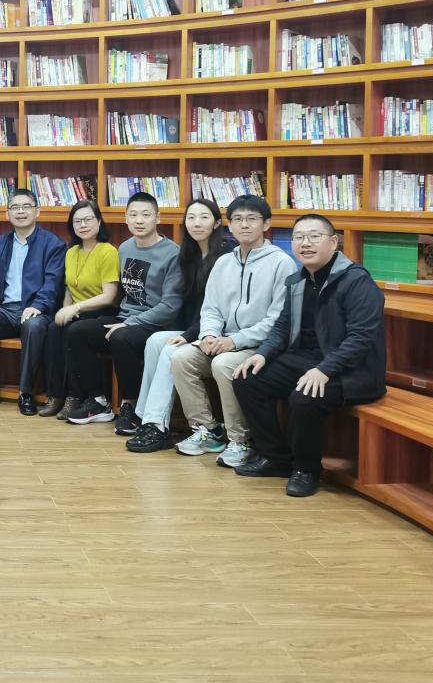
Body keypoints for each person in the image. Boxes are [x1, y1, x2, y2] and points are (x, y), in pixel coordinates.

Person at [232, 213, 385, 497]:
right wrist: (263, 354)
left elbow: (362, 337)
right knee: (247, 379)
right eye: (299, 237)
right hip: (307, 360)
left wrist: (325, 369)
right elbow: (282, 326)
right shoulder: (297, 280)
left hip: (352, 370)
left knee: (304, 396)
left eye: (314, 236)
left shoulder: (356, 281)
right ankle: (276, 458)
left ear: (333, 242)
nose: (306, 243)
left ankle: (306, 469)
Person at [145, 195, 296, 463]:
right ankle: (207, 429)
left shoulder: (281, 263)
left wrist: (234, 341)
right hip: (224, 340)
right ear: (229, 225)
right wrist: (209, 335)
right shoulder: (224, 262)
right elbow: (211, 309)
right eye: (237, 219)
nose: (244, 225)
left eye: (251, 219)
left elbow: (277, 321)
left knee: (223, 364)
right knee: (181, 358)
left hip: (260, 347)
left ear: (266, 224)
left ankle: (241, 440)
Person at [124, 199, 234, 452]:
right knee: (155, 341)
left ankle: (156, 425)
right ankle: (147, 419)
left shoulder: (227, 255)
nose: (197, 223)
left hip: (219, 331)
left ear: (217, 223)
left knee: (169, 351)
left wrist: (188, 335)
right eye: (191, 217)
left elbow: (218, 308)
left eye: (204, 217)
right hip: (194, 328)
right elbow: (183, 303)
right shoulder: (189, 254)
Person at [65, 192, 182, 426]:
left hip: (157, 324)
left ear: (158, 218)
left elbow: (170, 307)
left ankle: (131, 405)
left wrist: (129, 323)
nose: (139, 220)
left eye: (146, 215)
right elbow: (119, 293)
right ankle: (98, 401)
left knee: (121, 337)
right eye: (133, 215)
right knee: (77, 331)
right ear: (125, 219)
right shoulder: (125, 248)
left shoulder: (173, 253)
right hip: (125, 317)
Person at [0, 188, 65, 412]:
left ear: (37, 211)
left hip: (36, 309)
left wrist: (38, 306)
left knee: (33, 326)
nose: (20, 212)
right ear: (7, 214)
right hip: (5, 309)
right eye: (15, 207)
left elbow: (53, 283)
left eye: (26, 207)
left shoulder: (53, 244)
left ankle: (26, 393)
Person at [40, 199, 120, 419]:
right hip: (79, 312)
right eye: (77, 221)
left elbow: (109, 296)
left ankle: (75, 396)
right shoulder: (71, 252)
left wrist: (74, 308)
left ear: (99, 221)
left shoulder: (108, 251)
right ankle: (56, 395)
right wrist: (65, 310)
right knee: (54, 328)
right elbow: (69, 288)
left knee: (73, 331)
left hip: (105, 312)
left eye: (88, 219)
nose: (82, 225)